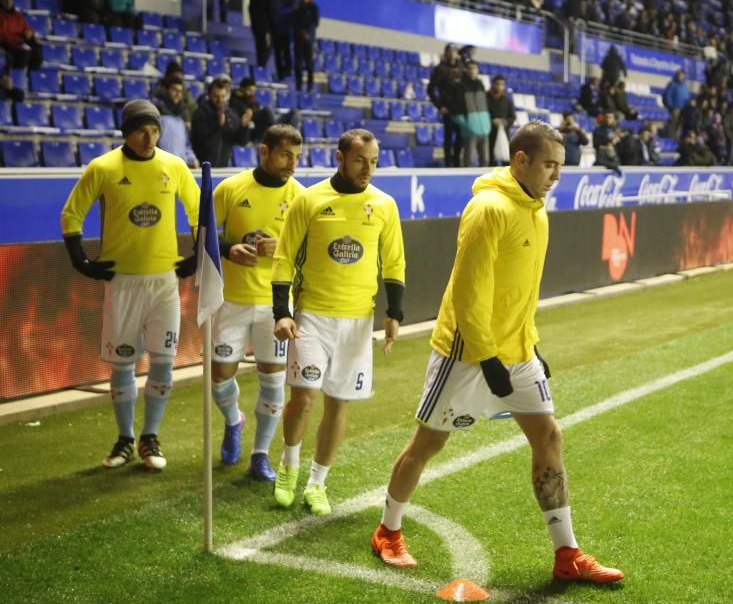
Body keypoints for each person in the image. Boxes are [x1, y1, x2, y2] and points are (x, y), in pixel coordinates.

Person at [369, 121, 623, 584]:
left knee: (548, 437)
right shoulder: (488, 208)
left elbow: (520, 291)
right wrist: (487, 358)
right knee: (429, 443)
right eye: (549, 164)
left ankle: (567, 553)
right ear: (520, 160)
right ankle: (387, 530)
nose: (555, 175)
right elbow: (469, 293)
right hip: (466, 351)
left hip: (517, 350)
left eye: (560, 166)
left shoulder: (536, 209)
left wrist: (530, 344)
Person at [271, 128, 405, 515]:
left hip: (358, 323)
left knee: (338, 403)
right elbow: (283, 258)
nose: (368, 168)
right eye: (361, 159)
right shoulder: (309, 200)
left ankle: (317, 483)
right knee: (304, 396)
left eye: (374, 161)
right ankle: (289, 465)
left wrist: (394, 313)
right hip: (312, 316)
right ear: (340, 157)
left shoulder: (384, 205)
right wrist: (282, 311)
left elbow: (394, 262)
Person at [60, 100, 200, 471]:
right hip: (122, 282)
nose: (149, 136)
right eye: (141, 129)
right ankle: (123, 438)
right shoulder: (104, 167)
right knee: (123, 364)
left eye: (154, 129)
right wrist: (81, 260)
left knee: (164, 362)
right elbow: (71, 214)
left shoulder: (174, 166)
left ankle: (150, 438)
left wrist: (198, 254)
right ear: (127, 132)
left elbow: (199, 211)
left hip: (164, 282)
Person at [211, 124, 305, 480]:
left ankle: (260, 454)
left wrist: (282, 247)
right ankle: (234, 420)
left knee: (273, 380)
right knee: (220, 377)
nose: (292, 164)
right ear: (264, 152)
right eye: (285, 155)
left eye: (297, 157)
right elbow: (200, 233)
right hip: (230, 300)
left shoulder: (301, 196)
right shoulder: (231, 189)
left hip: (275, 305)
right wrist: (228, 249)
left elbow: (309, 253)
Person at [191, 77, 253, 167]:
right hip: (201, 168)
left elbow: (241, 142)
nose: (220, 100)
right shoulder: (200, 114)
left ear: (227, 96)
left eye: (223, 96)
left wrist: (244, 126)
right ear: (209, 95)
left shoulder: (231, 115)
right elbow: (201, 141)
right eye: (216, 97)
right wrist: (218, 126)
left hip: (223, 167)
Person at [427, 44, 463, 167]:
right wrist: (439, 106)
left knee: (460, 138)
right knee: (448, 138)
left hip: (461, 110)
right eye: (450, 51)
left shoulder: (462, 68)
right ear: (446, 53)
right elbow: (431, 89)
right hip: (448, 110)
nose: (453, 53)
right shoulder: (440, 69)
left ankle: (458, 163)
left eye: (455, 51)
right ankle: (448, 163)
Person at [153, 76, 196, 166]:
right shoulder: (156, 115)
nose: (178, 94)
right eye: (174, 90)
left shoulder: (181, 118)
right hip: (162, 167)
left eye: (180, 91)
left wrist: (191, 158)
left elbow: (187, 145)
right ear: (166, 90)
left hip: (180, 168)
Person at [457, 61, 491, 167]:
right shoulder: (460, 86)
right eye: (470, 68)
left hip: (484, 130)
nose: (472, 71)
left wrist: (487, 123)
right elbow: (455, 110)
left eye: (475, 68)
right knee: (469, 160)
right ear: (466, 70)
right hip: (470, 131)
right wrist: (467, 125)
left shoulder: (481, 85)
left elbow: (485, 106)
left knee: (485, 160)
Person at [0, 0, 42, 73]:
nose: (8, 2)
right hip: (5, 44)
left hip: (17, 42)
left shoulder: (17, 15)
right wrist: (19, 41)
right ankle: (16, 76)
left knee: (36, 48)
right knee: (23, 53)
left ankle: (32, 77)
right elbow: (3, 34)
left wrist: (29, 32)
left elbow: (25, 27)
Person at [293, 0, 319, 92]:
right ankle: (298, 85)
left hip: (308, 40)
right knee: (298, 64)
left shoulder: (314, 7)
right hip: (298, 38)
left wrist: (307, 33)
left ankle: (310, 85)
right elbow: (294, 21)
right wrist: (299, 31)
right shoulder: (297, 6)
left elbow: (315, 22)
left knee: (309, 63)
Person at [270, 0, 296, 82]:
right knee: (278, 54)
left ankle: (287, 70)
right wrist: (291, 9)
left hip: (287, 32)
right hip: (276, 31)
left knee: (287, 53)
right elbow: (276, 13)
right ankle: (280, 73)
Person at [486, 74, 516, 166]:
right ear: (493, 84)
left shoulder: (507, 100)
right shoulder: (486, 98)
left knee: (506, 160)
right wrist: (491, 121)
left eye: (502, 84)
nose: (499, 86)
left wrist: (504, 122)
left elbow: (512, 116)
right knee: (491, 159)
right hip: (489, 133)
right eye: (497, 84)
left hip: (503, 133)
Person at [248, 0, 273, 68]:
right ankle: (261, 69)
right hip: (265, 27)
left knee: (261, 49)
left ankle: (261, 68)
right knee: (265, 49)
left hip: (257, 26)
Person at [662, 69, 690, 139]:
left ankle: (677, 138)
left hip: (683, 108)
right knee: (674, 123)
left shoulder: (685, 85)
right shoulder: (672, 84)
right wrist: (670, 104)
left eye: (682, 75)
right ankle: (671, 137)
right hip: (675, 108)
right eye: (679, 75)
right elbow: (668, 95)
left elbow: (687, 96)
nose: (681, 76)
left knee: (680, 124)